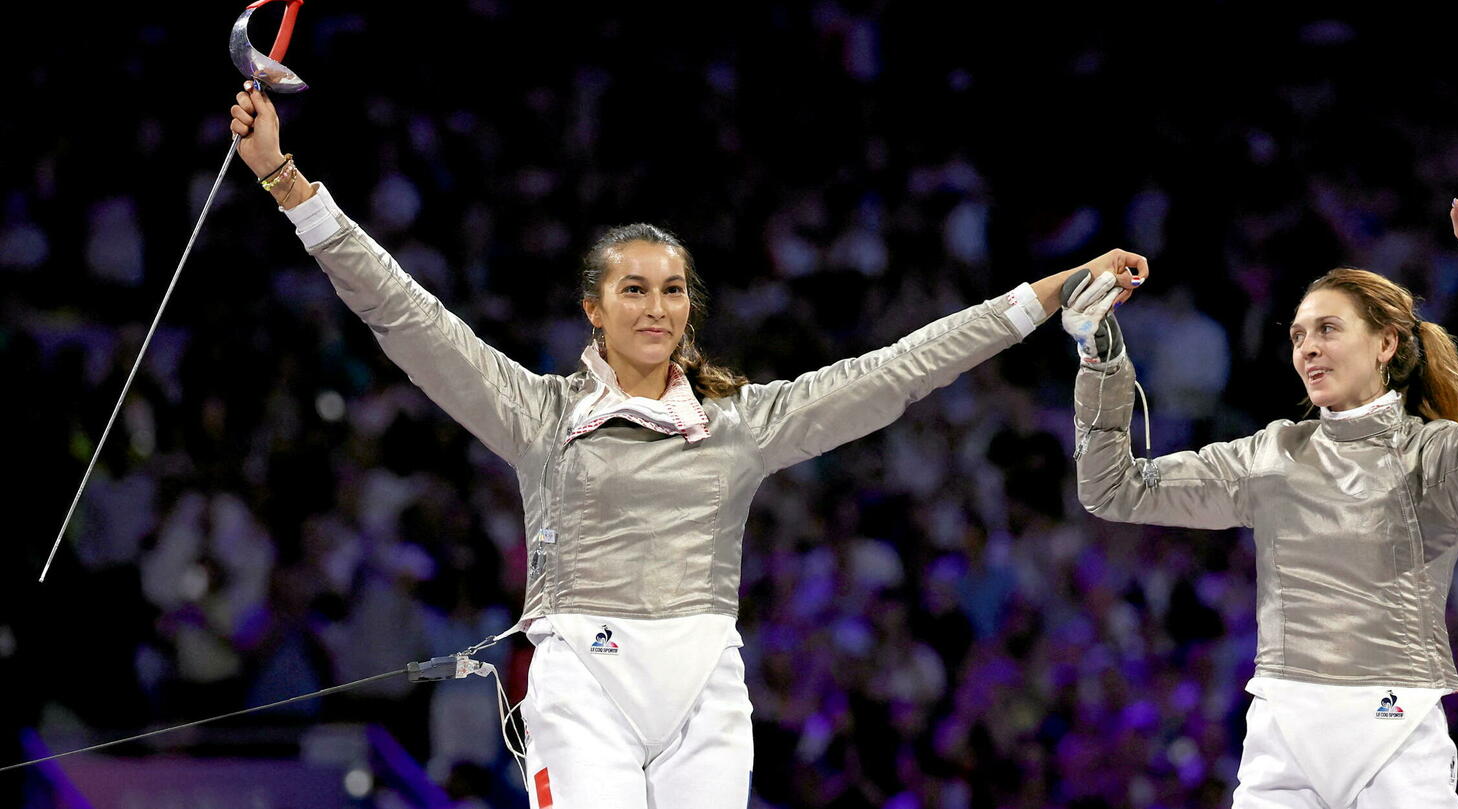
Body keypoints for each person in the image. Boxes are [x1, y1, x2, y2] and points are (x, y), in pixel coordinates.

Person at [227, 82, 1147, 809]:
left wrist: (1050, 290)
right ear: (593, 308)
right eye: (632, 289)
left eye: (671, 290)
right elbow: (402, 312)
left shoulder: (743, 424)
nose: (656, 308)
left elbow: (903, 367)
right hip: (581, 688)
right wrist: (287, 183)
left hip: (706, 684)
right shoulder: (539, 415)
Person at [1063, 199, 1458, 808]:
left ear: (1386, 344)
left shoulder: (1434, 461)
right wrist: (1101, 361)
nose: (1306, 348)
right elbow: (1113, 488)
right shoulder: (1272, 455)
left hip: (1395, 737)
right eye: (1299, 335)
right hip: (1282, 735)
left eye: (1328, 330)